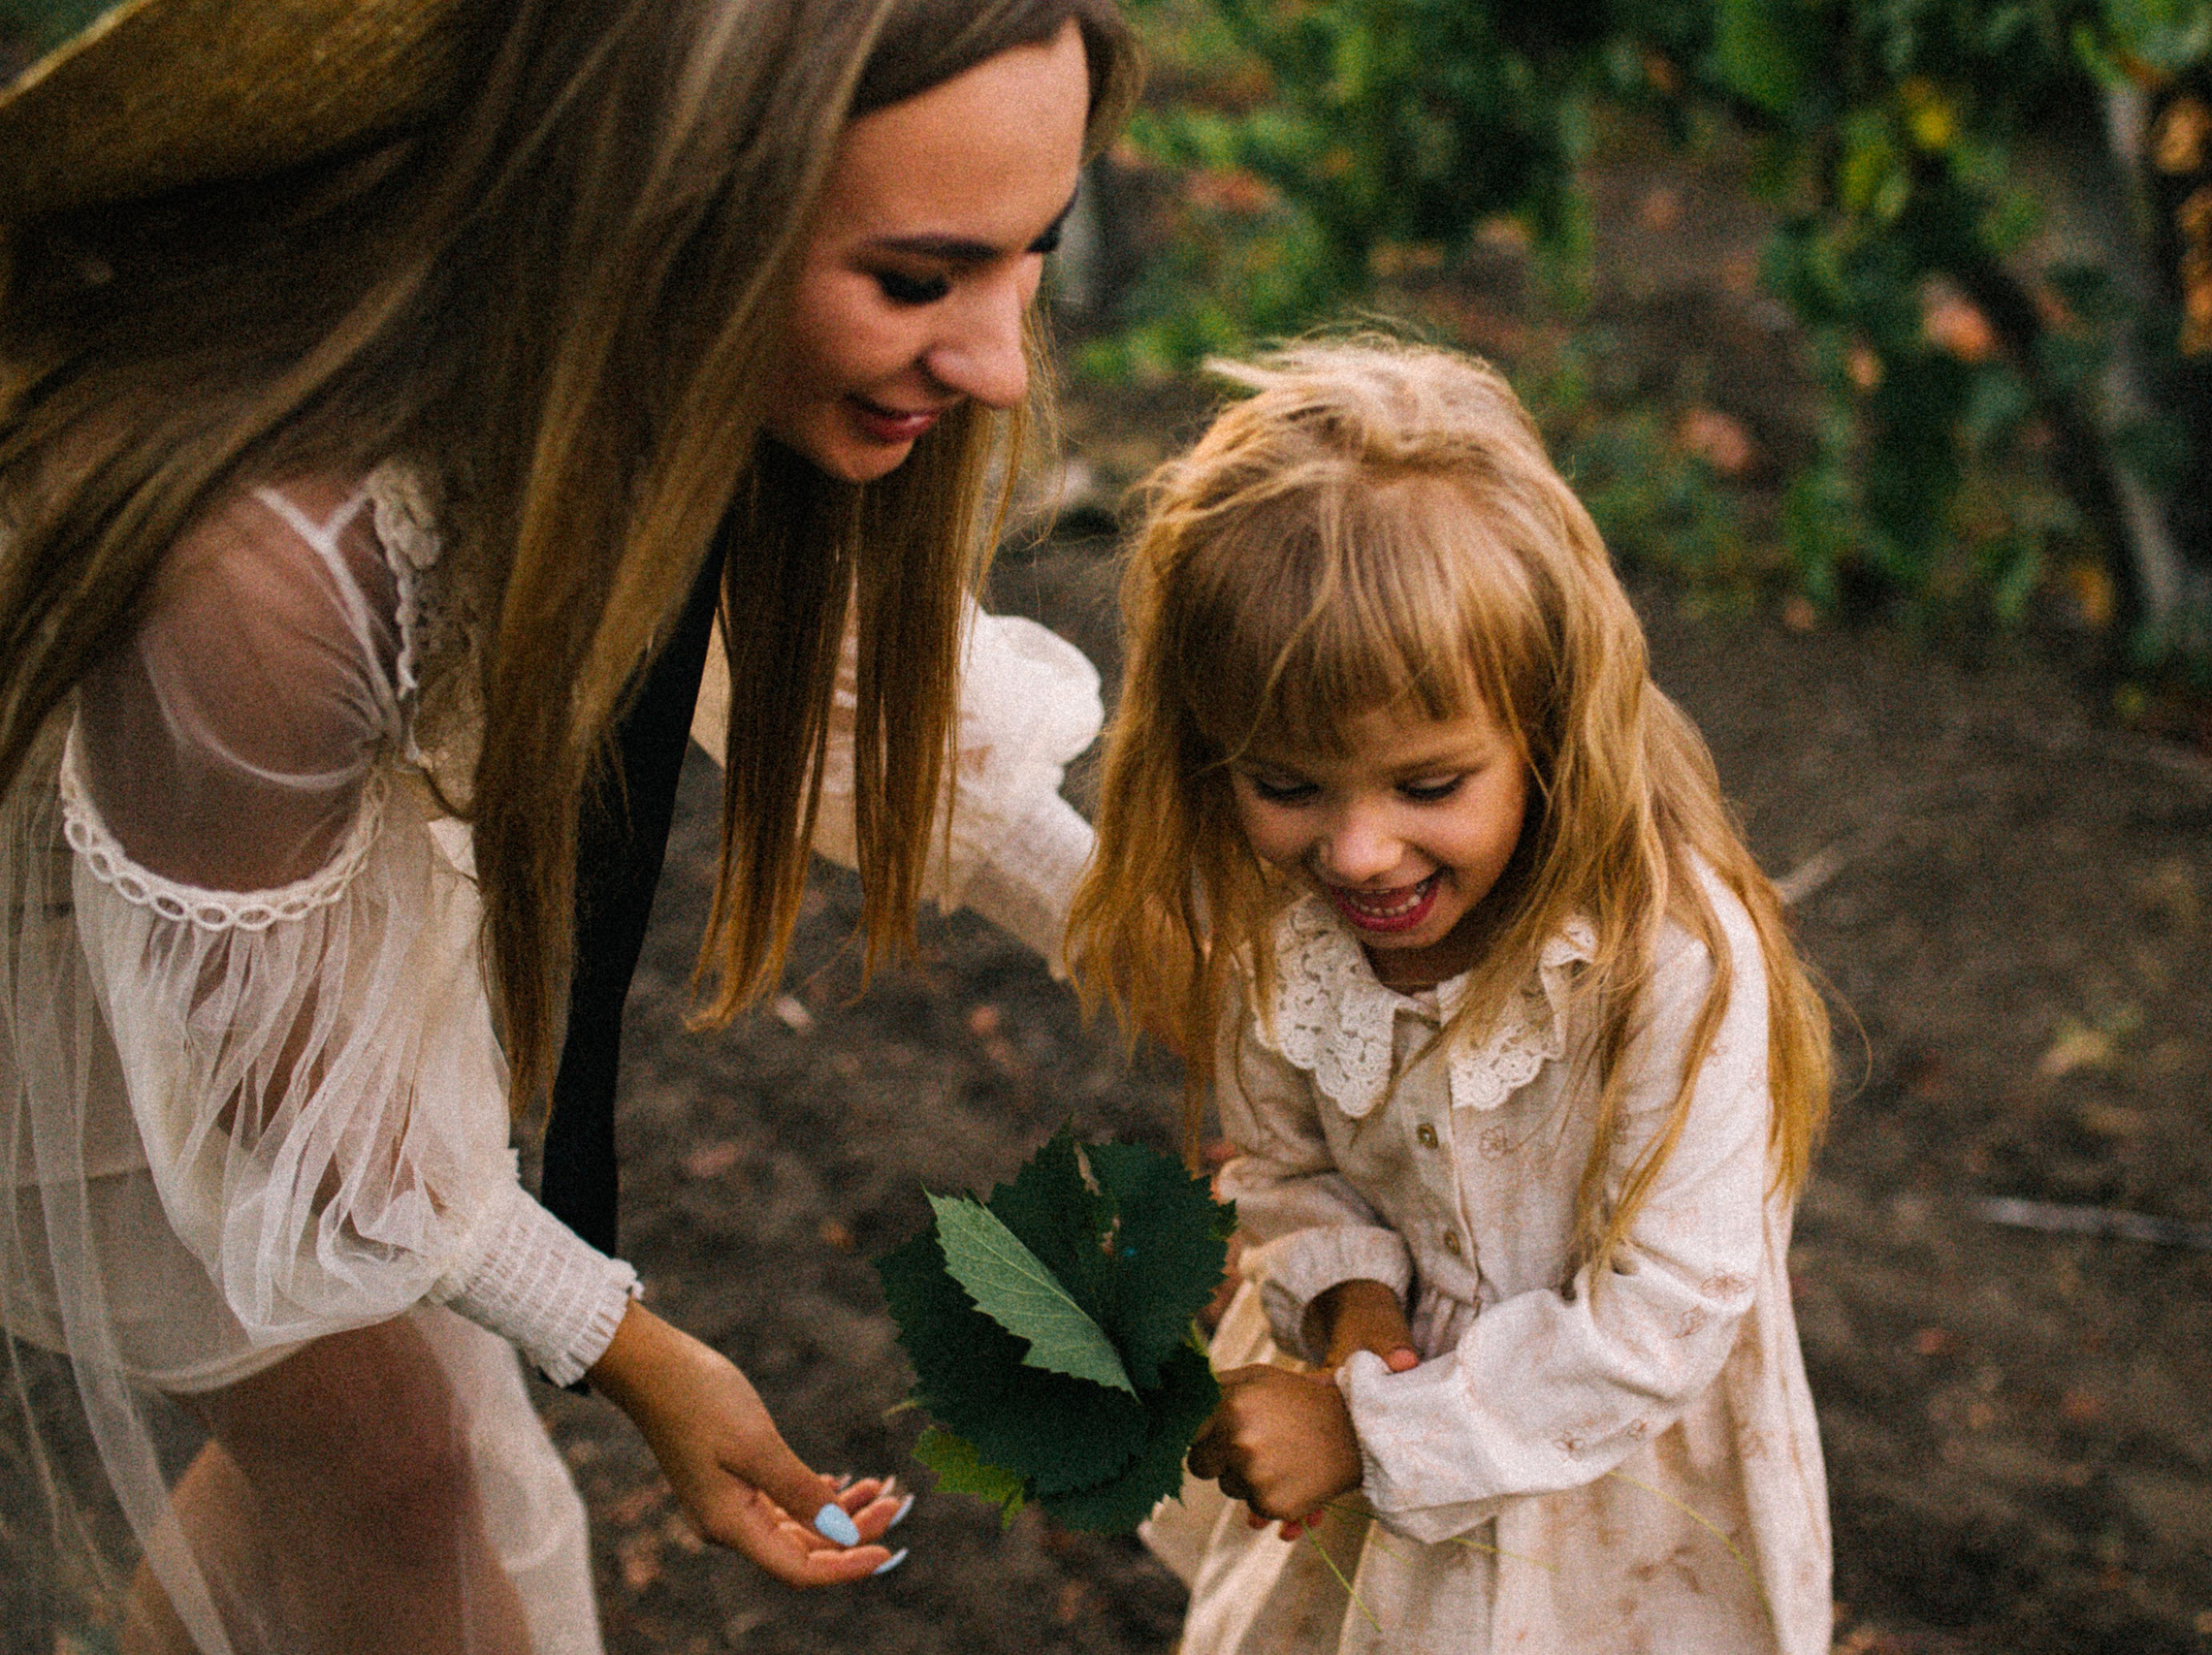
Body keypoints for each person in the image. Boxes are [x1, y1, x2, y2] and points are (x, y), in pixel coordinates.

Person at [0, 1, 1138, 1651]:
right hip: (100, 944)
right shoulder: (274, 559)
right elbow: (275, 1075)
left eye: (1028, 255)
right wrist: (625, 1343)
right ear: (678, 216)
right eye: (915, 280)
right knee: (414, 1469)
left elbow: (809, 679)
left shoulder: (665, 353)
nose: (1000, 364)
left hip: (278, 877)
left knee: (369, 1456)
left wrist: (1156, 948)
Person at [1067, 337, 1838, 1653]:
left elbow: (1666, 1316)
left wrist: (1364, 1432)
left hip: (1612, 1501)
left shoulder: (1664, 959)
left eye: (1429, 786)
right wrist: (1353, 1302)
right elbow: (1282, 1158)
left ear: (1551, 727)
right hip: (1376, 1460)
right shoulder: (1282, 926)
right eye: (1288, 785)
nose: (1358, 852)